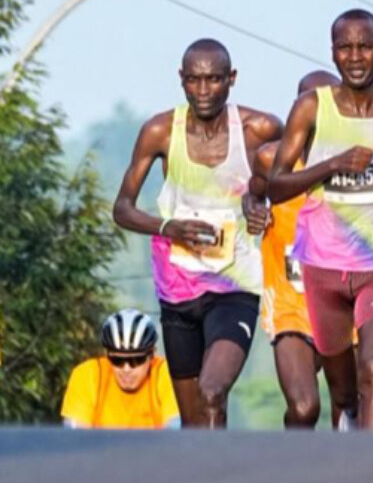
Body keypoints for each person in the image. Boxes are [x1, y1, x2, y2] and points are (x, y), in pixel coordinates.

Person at [266, 10, 373, 430]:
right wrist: (332, 165)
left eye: (365, 47)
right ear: (333, 53)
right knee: (343, 393)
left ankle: (372, 463)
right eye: (345, 47)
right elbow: (276, 186)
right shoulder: (311, 108)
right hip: (323, 270)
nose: (355, 57)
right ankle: (347, 444)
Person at [113, 39, 283, 428]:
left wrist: (260, 204)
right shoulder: (160, 131)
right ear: (181, 79)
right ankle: (206, 466)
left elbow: (291, 181)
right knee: (193, 423)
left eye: (213, 80)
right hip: (178, 291)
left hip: (234, 287)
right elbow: (122, 208)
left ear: (231, 79)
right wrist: (167, 227)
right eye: (194, 80)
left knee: (212, 391)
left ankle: (217, 468)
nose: (203, 91)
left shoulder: (259, 129)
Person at [245, 69, 358, 430]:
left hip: (344, 303)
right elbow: (254, 193)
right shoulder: (270, 159)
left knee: (349, 404)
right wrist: (254, 210)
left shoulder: (357, 163)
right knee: (304, 407)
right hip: (290, 303)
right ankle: (294, 456)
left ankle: (346, 465)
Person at [61, 309, 181, 429]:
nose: (126, 369)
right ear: (107, 355)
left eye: (136, 360)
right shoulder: (88, 375)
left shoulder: (165, 374)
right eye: (117, 360)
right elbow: (75, 436)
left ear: (151, 356)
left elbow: (174, 432)